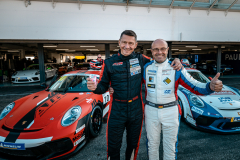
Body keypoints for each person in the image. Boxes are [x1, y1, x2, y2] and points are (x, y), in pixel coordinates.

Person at [87, 30, 182, 160]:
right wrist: (96, 88)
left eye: (131, 43)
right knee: (113, 146)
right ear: (119, 43)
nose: (127, 46)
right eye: (124, 42)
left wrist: (175, 60)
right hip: (117, 110)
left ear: (135, 44)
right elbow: (103, 85)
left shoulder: (142, 59)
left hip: (136, 110)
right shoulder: (109, 62)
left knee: (133, 145)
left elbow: (159, 60)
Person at [143, 39, 223, 160]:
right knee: (152, 146)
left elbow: (195, 85)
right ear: (151, 51)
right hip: (150, 111)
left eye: (163, 49)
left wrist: (209, 87)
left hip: (171, 111)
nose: (159, 52)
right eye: (156, 49)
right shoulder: (146, 67)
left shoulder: (177, 68)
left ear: (167, 50)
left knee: (170, 147)